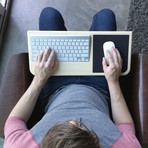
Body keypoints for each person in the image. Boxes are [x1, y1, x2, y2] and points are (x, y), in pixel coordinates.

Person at [4, 7, 141, 148]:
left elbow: (15, 121)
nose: (74, 120)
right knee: (105, 16)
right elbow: (125, 126)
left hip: (55, 87)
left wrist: (39, 79)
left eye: (61, 127)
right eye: (83, 128)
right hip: (100, 88)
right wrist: (113, 82)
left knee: (49, 15)